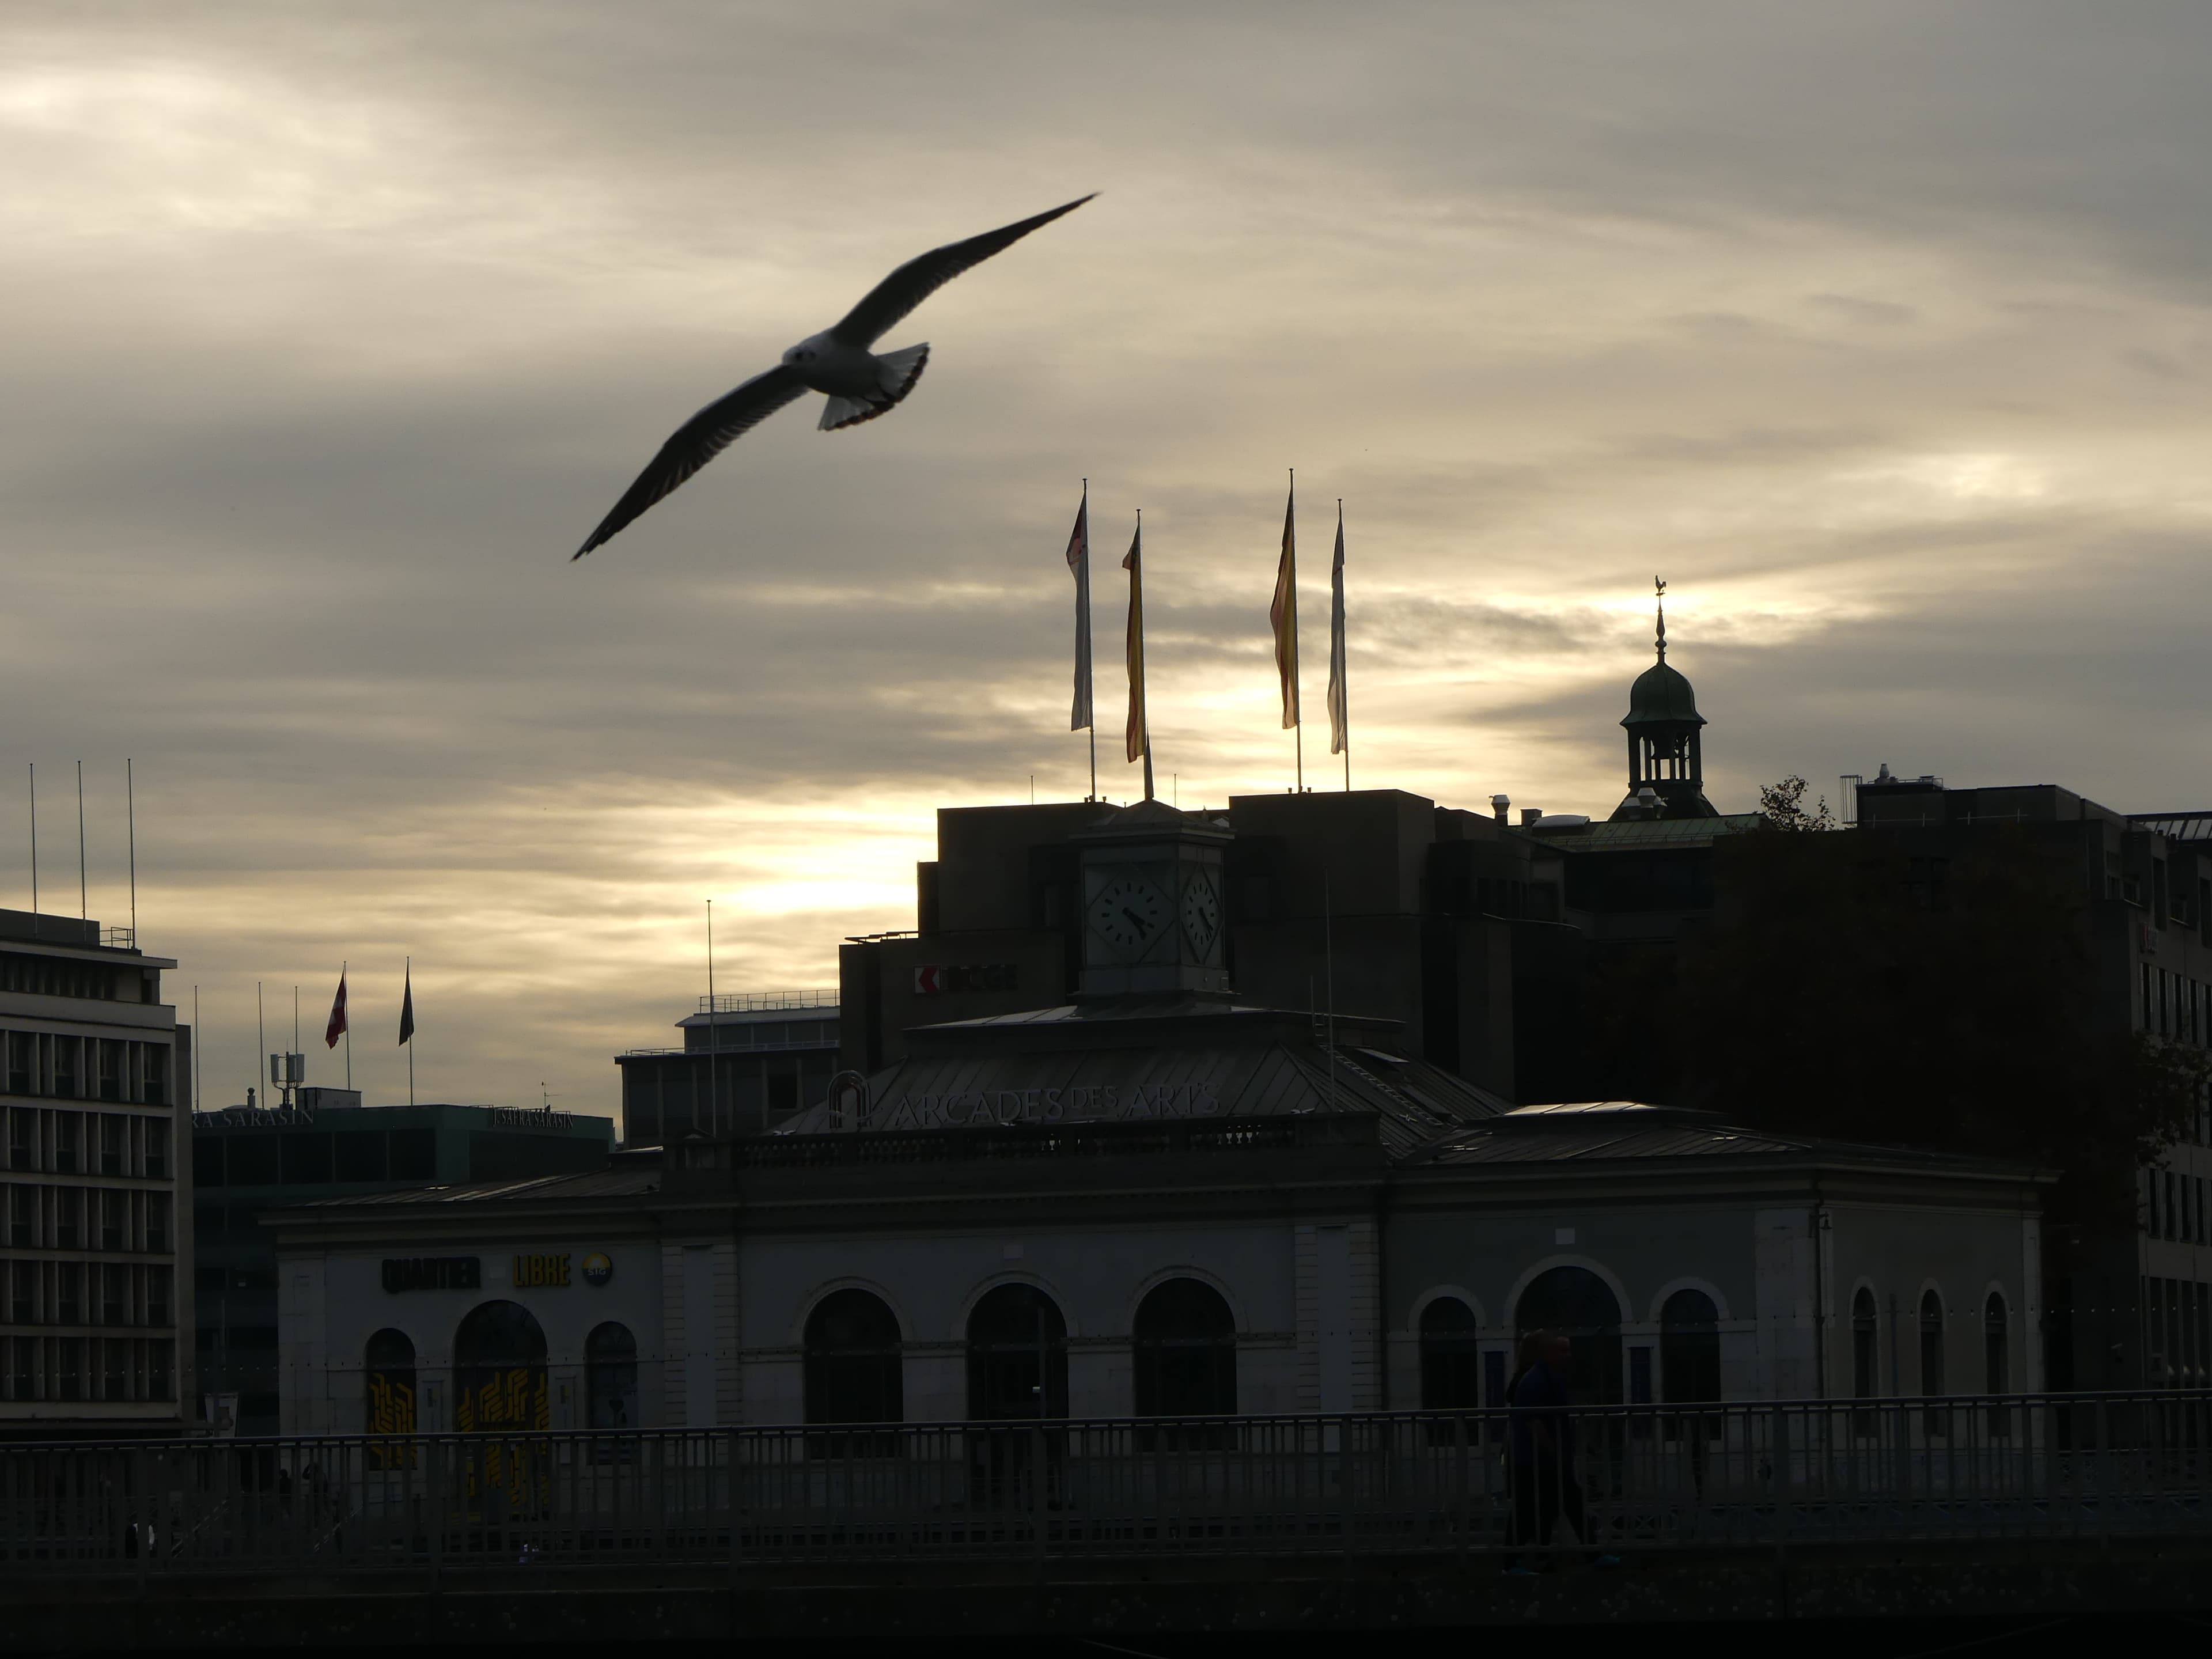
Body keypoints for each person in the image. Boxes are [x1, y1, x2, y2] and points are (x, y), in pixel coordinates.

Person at [1502, 1328, 1619, 1573]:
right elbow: (1535, 1423)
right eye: (1562, 1351)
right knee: (1535, 1508)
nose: (1569, 1356)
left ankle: (1585, 1555)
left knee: (1554, 1505)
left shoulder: (1547, 1377)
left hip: (1544, 1459)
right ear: (1547, 1353)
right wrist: (1554, 1453)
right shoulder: (1536, 1380)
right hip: (1538, 1460)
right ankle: (1513, 1562)